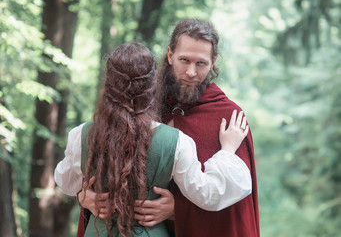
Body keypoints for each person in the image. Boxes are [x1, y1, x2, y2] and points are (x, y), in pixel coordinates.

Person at [54, 42, 252, 237]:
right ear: (152, 85)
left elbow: (67, 184)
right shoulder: (176, 141)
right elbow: (207, 195)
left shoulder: (81, 134)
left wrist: (83, 195)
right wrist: (227, 150)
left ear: (109, 84)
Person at [134, 18, 260, 237]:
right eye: (184, 60)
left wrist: (178, 209)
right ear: (170, 55)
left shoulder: (228, 116)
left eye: (200, 63)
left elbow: (236, 206)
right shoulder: (145, 107)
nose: (191, 72)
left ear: (212, 62)